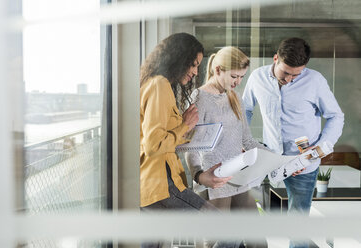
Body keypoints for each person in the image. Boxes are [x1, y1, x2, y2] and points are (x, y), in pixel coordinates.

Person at [140, 33, 241, 248]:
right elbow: (153, 145)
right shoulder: (159, 85)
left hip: (153, 185)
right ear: (178, 58)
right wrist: (185, 124)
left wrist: (192, 134)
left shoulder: (154, 83)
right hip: (162, 184)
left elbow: (163, 139)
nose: (196, 71)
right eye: (193, 65)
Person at [242, 37, 344, 248]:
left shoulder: (315, 81)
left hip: (303, 163)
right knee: (247, 210)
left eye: (296, 74)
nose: (289, 79)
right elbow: (246, 110)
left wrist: (320, 148)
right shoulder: (257, 77)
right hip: (268, 156)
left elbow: (336, 116)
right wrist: (241, 140)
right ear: (275, 58)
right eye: (285, 72)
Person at [185, 46, 268, 248]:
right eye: (234, 76)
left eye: (241, 77)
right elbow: (191, 147)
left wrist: (278, 158)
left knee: (258, 241)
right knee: (214, 244)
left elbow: (247, 141)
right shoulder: (199, 98)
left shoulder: (235, 97)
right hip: (214, 182)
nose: (238, 82)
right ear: (218, 70)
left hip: (238, 180)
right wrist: (199, 175)